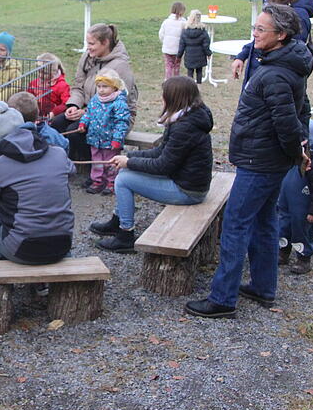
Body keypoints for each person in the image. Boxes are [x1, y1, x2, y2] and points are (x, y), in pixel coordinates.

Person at [186, 4, 312, 319]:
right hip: (269, 159)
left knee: (235, 224)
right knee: (265, 221)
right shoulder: (281, 58)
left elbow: (287, 122)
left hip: (261, 160)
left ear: (281, 35)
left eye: (260, 30)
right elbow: (301, 108)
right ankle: (263, 287)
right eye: (254, 28)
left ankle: (222, 299)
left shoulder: (275, 75)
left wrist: (298, 152)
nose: (253, 35)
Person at [91, 76, 213, 252]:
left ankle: (125, 235)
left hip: (188, 191)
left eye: (164, 95)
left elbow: (163, 166)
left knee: (123, 181)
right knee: (124, 173)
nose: (162, 98)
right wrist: (129, 157)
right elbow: (161, 151)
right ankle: (117, 222)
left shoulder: (184, 126)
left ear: (174, 98)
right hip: (185, 180)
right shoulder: (187, 116)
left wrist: (130, 162)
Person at [0, 101, 75, 264]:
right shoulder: (58, 153)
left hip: (24, 249)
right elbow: (71, 172)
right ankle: (39, 284)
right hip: (63, 244)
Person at [50, 23, 138, 163]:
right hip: (89, 109)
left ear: (105, 43)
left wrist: (86, 113)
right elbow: (78, 85)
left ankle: (92, 163)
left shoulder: (121, 66)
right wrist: (74, 106)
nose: (88, 47)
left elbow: (120, 102)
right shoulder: (88, 57)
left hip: (113, 116)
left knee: (76, 132)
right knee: (57, 122)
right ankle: (65, 160)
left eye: (91, 43)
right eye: (87, 43)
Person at [231, 0, 313, 83]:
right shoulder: (271, 5)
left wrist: (267, 76)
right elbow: (261, 38)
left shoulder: (298, 16)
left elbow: (295, 55)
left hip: (276, 84)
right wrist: (241, 56)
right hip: (259, 78)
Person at [278, 120, 313, 275]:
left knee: (302, 230)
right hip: (286, 205)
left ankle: (304, 258)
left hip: (303, 210)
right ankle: (283, 252)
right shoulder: (290, 159)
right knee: (283, 227)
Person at [78, 69, 131, 195]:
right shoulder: (96, 100)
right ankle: (97, 180)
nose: (101, 90)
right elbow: (89, 113)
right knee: (96, 161)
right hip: (95, 138)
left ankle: (111, 182)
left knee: (110, 162)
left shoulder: (119, 103)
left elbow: (122, 122)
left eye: (105, 87)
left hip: (110, 140)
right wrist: (83, 123)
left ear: (114, 87)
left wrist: (117, 139)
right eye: (99, 87)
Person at [27, 52, 70, 120]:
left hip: (53, 117)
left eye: (45, 73)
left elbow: (66, 103)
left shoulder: (62, 85)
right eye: (39, 71)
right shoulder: (34, 83)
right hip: (36, 116)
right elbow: (28, 97)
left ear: (54, 72)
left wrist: (54, 112)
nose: (40, 75)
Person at [177, 10, 212, 84]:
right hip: (200, 56)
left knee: (190, 72)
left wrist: (179, 56)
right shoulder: (202, 31)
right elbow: (206, 44)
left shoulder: (185, 31)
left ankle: (190, 88)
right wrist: (209, 53)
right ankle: (199, 87)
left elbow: (182, 45)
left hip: (189, 56)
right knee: (199, 71)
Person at [159, 1, 186, 79]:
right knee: (177, 66)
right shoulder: (183, 23)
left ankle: (168, 81)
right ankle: (176, 81)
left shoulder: (166, 22)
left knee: (168, 66)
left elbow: (161, 34)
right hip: (178, 49)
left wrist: (165, 42)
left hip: (167, 48)